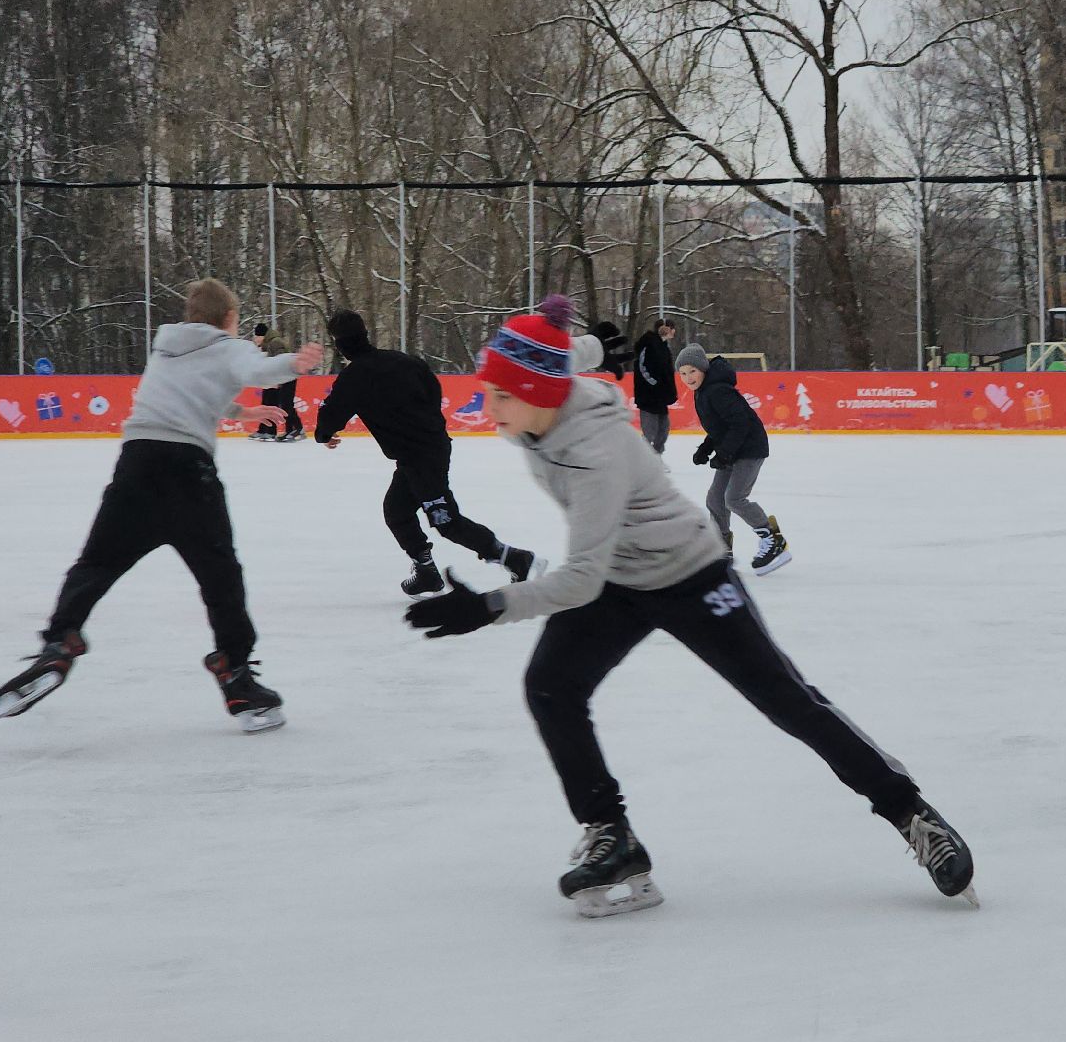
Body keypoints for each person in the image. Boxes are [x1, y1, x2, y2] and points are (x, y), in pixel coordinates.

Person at [402, 306, 975, 918]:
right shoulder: (538, 394)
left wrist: (491, 606)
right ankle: (612, 835)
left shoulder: (595, 449)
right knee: (551, 686)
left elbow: (580, 577)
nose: (488, 407)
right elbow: (565, 360)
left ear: (537, 394)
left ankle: (910, 811)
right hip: (620, 578)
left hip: (690, 572)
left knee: (784, 697)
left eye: (500, 395)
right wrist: (593, 344)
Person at [0, 279, 323, 733]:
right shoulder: (229, 347)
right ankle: (237, 676)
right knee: (221, 577)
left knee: (96, 563)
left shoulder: (166, 349)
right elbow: (256, 371)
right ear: (229, 318)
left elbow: (195, 391)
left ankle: (59, 643)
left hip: (136, 465)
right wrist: (294, 363)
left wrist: (242, 414)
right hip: (187, 474)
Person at [315, 306, 553, 596]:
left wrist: (325, 434)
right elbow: (434, 390)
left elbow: (331, 415)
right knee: (397, 511)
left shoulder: (353, 377)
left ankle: (514, 558)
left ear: (340, 344)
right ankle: (426, 571)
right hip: (427, 450)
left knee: (446, 521)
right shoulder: (404, 361)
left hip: (421, 457)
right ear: (365, 334)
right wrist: (425, 424)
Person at [676, 343, 790, 574]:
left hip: (749, 448)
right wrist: (706, 448)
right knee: (715, 499)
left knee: (734, 498)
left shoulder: (718, 391)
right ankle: (720, 549)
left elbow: (741, 423)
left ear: (703, 369)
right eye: (683, 373)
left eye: (692, 371)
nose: (688, 378)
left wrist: (724, 453)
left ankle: (773, 539)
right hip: (732, 447)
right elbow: (720, 426)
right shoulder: (703, 391)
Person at [633, 317, 678, 457]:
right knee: (650, 432)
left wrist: (669, 391)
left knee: (663, 430)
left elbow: (667, 372)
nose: (674, 331)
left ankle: (656, 457)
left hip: (660, 397)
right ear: (664, 329)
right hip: (648, 397)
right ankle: (643, 458)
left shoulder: (664, 347)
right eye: (671, 328)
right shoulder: (648, 344)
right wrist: (655, 384)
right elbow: (642, 367)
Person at [251, 322, 304, 441]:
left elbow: (281, 361)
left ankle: (297, 429)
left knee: (286, 403)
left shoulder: (275, 342)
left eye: (257, 336)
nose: (255, 339)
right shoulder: (268, 344)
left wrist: (278, 380)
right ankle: (287, 430)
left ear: (262, 336)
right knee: (279, 403)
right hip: (282, 377)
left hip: (287, 377)